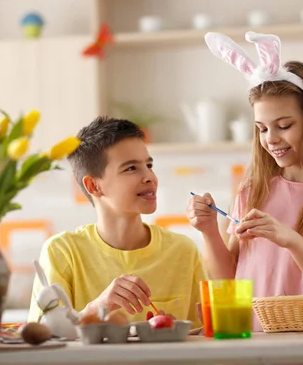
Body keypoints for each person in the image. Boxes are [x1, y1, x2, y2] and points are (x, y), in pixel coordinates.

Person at [187, 31, 303, 335]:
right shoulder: (252, 190)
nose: (271, 139)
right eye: (262, 129)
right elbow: (228, 280)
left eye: (284, 126)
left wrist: (290, 239)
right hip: (256, 346)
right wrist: (208, 233)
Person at [28, 116, 205, 326]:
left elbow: (203, 338)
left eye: (149, 165)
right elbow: (44, 338)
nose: (150, 177)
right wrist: (98, 307)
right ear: (93, 186)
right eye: (131, 168)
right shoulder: (62, 252)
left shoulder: (183, 251)